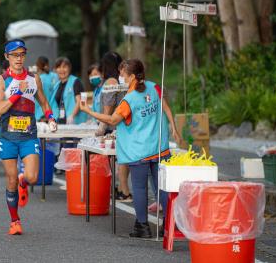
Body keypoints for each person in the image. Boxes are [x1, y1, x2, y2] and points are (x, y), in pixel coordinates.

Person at [80, 59, 181, 238]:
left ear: (132, 76)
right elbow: (165, 107)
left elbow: (112, 120)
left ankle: (142, 226)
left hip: (138, 151)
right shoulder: (154, 87)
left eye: (122, 75)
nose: (120, 78)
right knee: (162, 187)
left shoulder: (129, 100)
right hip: (159, 147)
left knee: (140, 189)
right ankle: (169, 224)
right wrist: (174, 128)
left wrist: (88, 111)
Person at [0, 39, 57, 235]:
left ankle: (24, 182)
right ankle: (15, 221)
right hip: (7, 135)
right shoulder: (0, 81)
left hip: (29, 134)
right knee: (10, 178)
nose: (19, 59)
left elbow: (44, 102)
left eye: (21, 55)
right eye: (14, 55)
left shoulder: (34, 79)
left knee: (32, 177)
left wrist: (51, 118)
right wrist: (15, 94)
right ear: (7, 57)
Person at [99, 51, 133, 203]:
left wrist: (101, 128)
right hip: (122, 124)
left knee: (119, 159)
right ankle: (121, 190)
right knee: (122, 159)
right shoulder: (121, 82)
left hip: (114, 125)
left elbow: (108, 109)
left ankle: (123, 190)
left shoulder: (111, 82)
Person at [50, 57, 87, 125]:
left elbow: (80, 101)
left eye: (64, 67)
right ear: (56, 70)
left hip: (75, 122)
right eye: (59, 67)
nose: (61, 70)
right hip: (60, 122)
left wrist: (72, 116)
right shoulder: (56, 85)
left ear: (69, 68)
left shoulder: (76, 81)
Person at [34, 56, 59, 121]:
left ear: (38, 66)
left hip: (40, 113)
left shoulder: (38, 79)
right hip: (55, 112)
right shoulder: (56, 76)